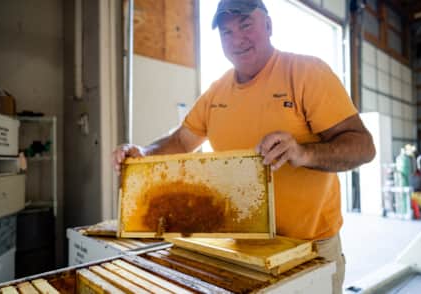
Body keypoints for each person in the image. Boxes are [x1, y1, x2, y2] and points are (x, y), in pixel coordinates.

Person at [113, 0, 375, 292]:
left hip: (310, 249)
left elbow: (363, 146)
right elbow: (180, 140)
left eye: (245, 25)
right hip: (241, 249)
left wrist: (303, 152)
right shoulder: (217, 91)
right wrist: (144, 152)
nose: (237, 39)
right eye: (226, 32)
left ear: (269, 25)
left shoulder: (307, 72)